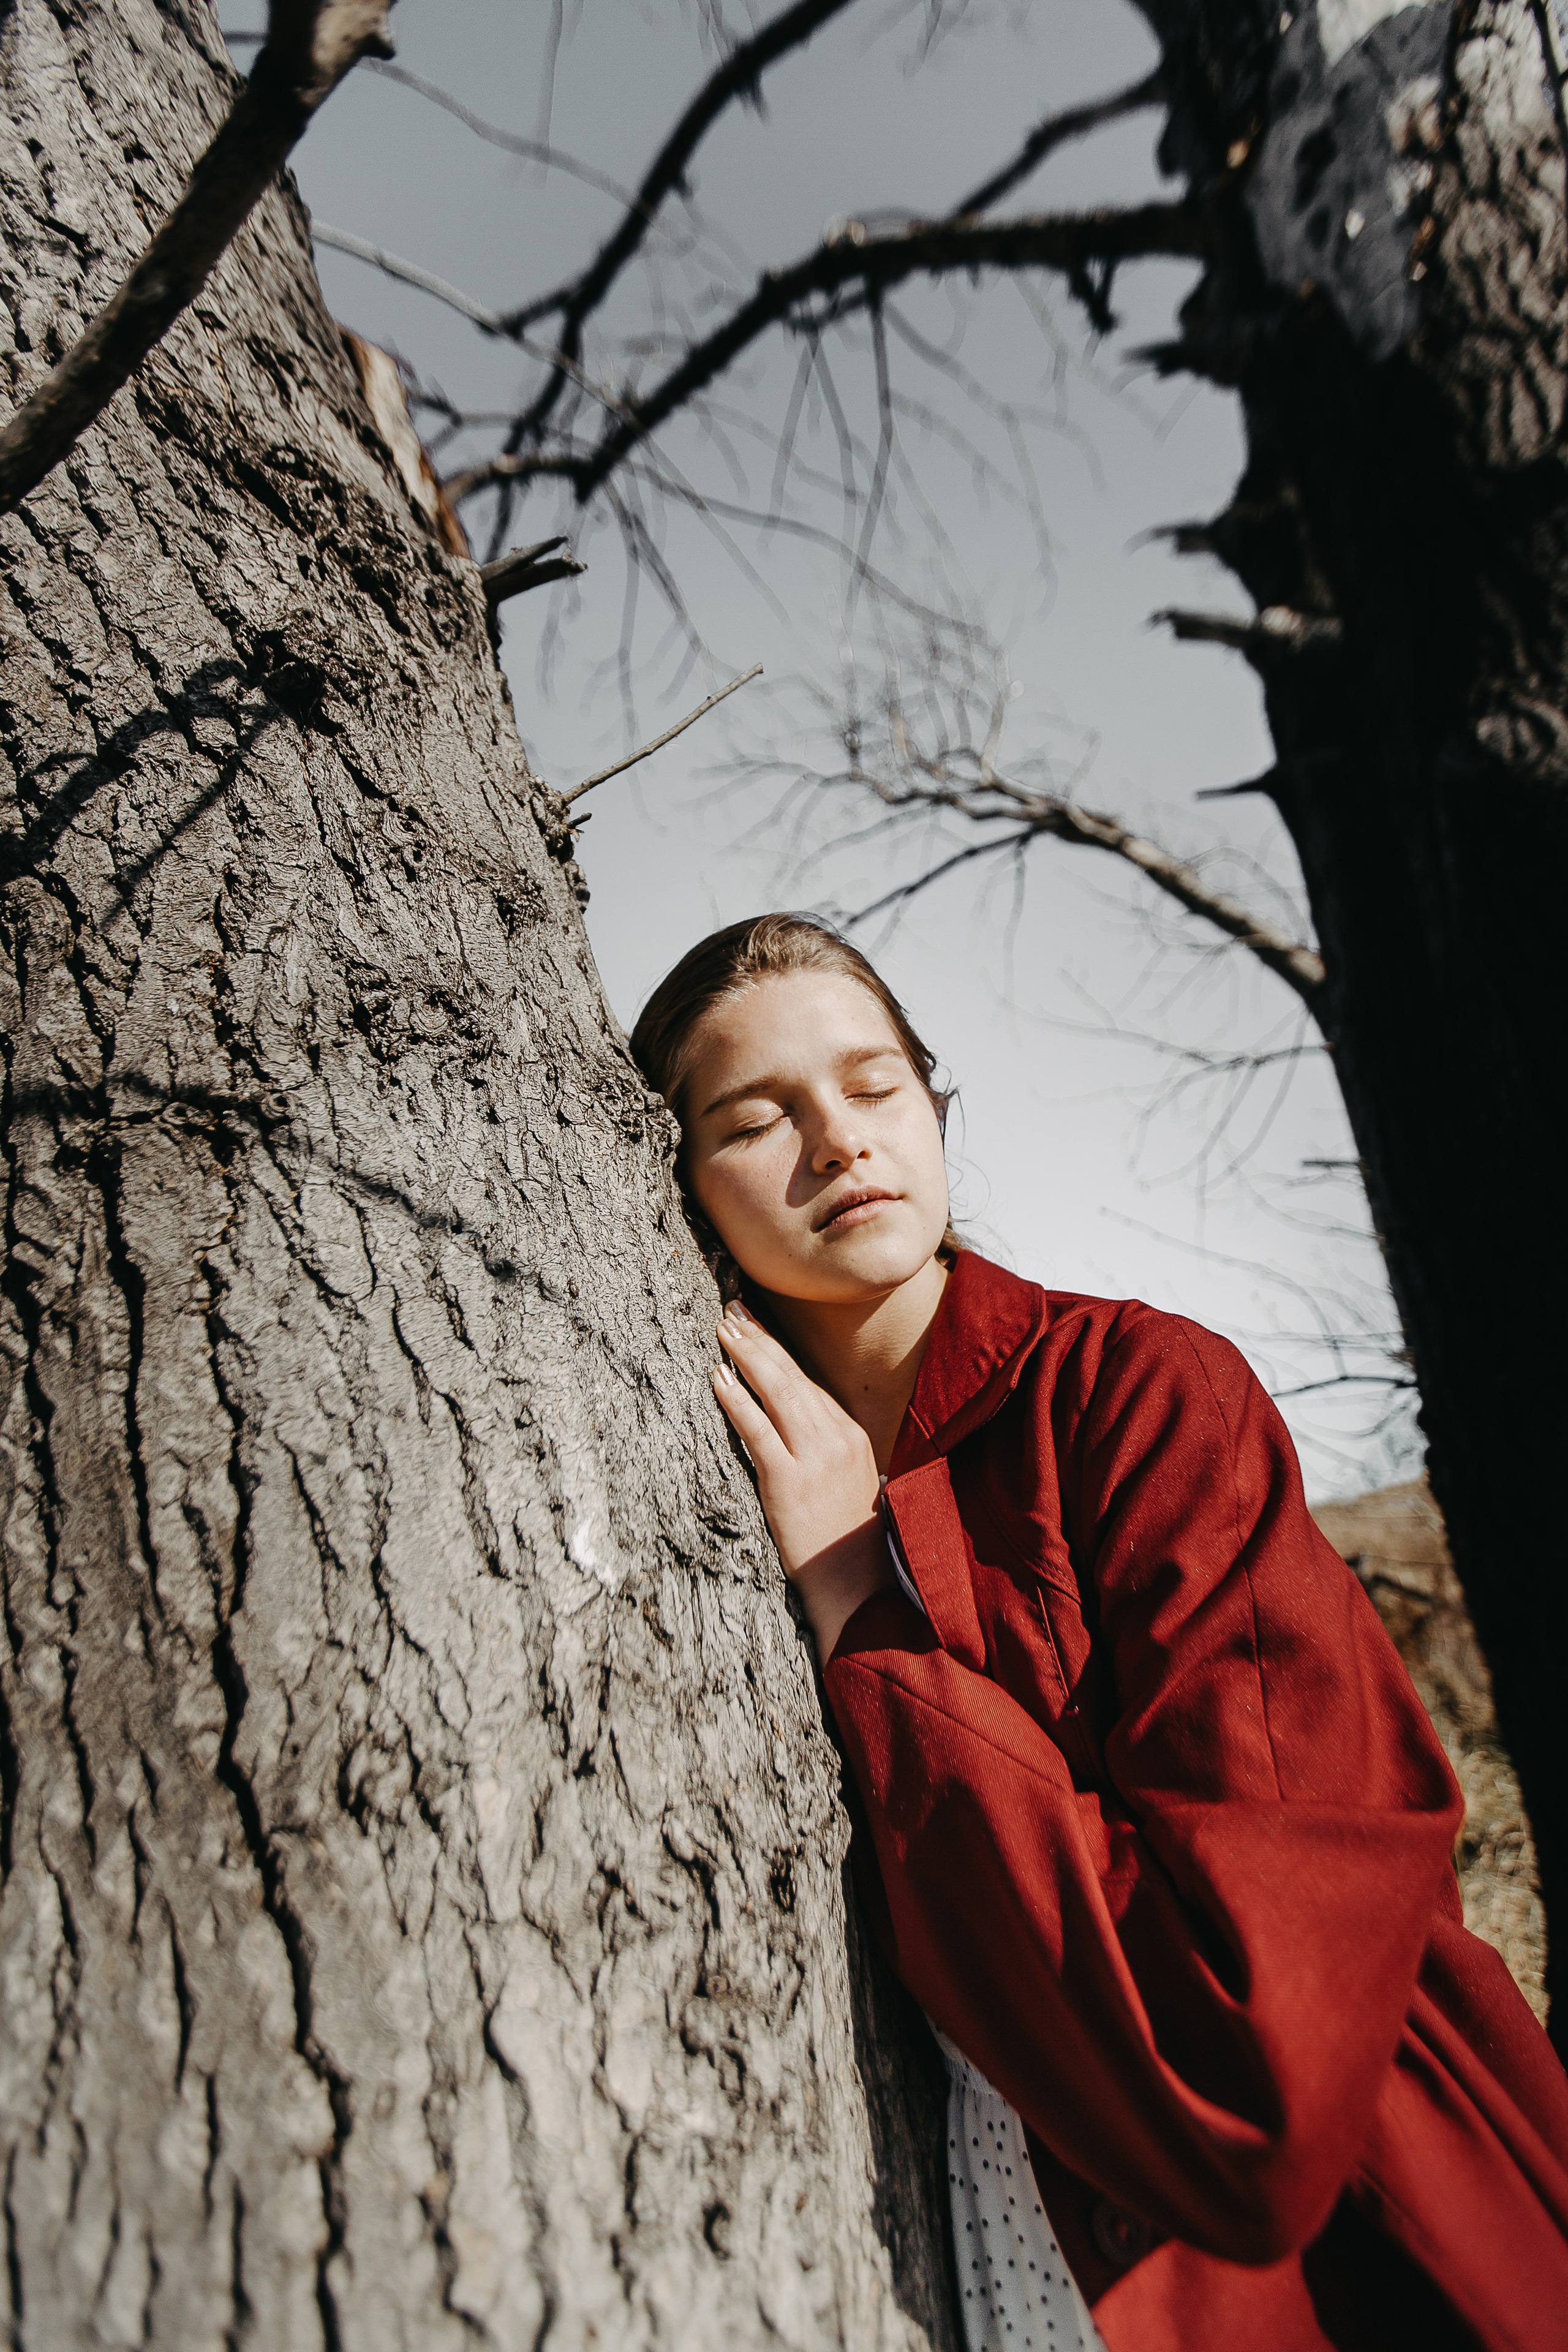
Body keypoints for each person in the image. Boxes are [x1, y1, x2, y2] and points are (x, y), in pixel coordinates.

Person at [630, 911, 1568, 2352]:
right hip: (975, 2236)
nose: (836, 1145)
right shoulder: (681, 1483)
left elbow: (1260, 2046)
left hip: (1343, 2254)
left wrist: (858, 1605)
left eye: (875, 1090)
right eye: (759, 1121)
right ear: (678, 1194)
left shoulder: (1141, 1396)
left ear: (934, 1112)